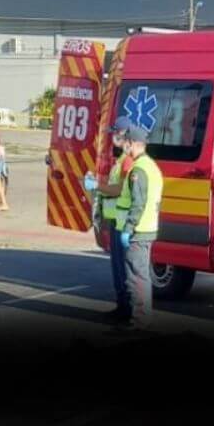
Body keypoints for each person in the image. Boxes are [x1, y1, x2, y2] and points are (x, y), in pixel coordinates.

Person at [84, 117, 134, 322]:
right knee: (117, 268)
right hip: (116, 220)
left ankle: (127, 312)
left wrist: (97, 186)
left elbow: (120, 189)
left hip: (123, 222)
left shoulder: (128, 161)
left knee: (123, 269)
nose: (113, 136)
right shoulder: (121, 159)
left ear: (125, 134)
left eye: (116, 133)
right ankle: (122, 308)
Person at [119, 125, 163, 330]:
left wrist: (128, 228)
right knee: (142, 275)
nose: (123, 146)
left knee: (136, 277)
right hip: (148, 228)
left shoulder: (138, 170)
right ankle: (143, 319)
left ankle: (140, 321)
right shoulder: (152, 166)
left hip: (139, 230)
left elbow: (138, 202)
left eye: (125, 142)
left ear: (132, 143)